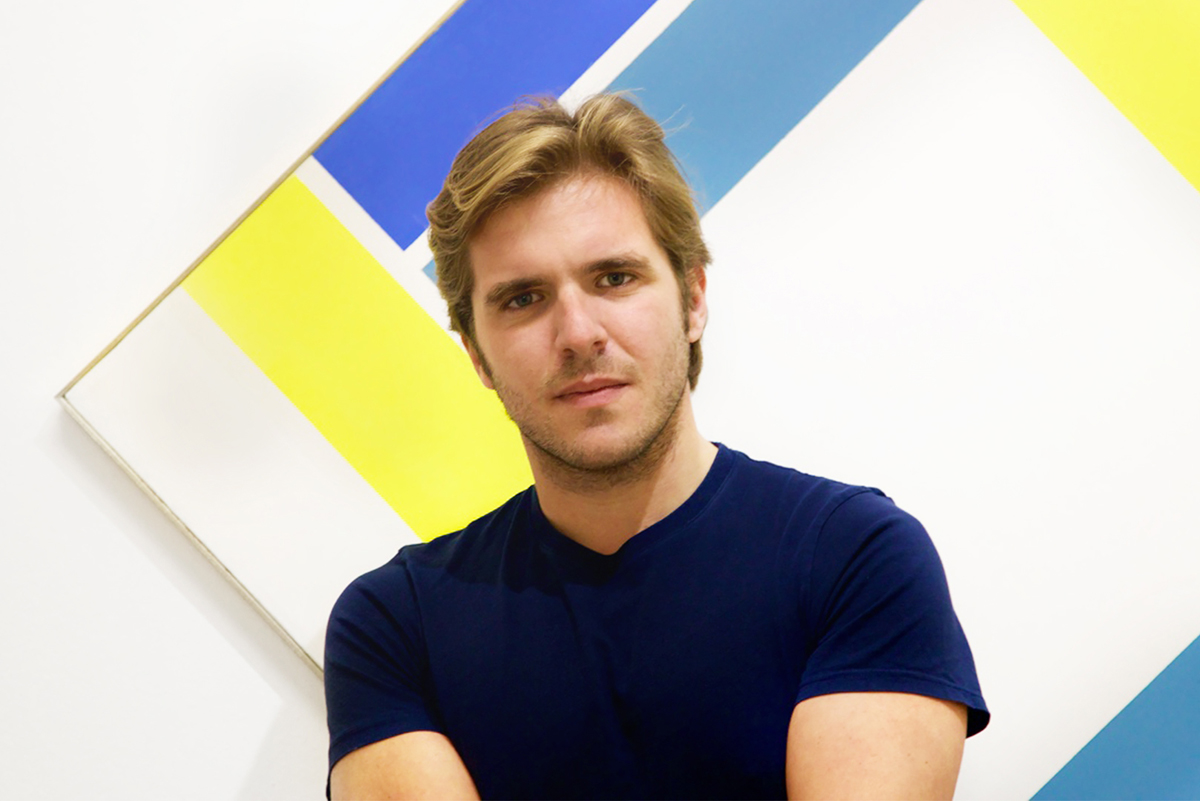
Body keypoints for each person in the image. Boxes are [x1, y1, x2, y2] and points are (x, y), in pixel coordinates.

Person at [324, 93, 988, 800]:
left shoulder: (854, 558)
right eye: (523, 298)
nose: (578, 332)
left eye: (615, 277)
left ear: (693, 296)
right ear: (477, 354)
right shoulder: (395, 627)